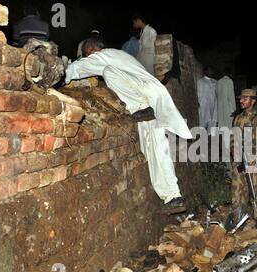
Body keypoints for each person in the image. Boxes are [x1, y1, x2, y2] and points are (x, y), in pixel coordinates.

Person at [65, 36, 192, 210]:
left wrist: (61, 74)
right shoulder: (123, 57)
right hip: (151, 97)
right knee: (156, 149)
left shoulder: (106, 56)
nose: (88, 58)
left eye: (88, 55)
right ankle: (173, 197)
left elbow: (78, 68)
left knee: (108, 72)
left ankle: (140, 108)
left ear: (93, 50)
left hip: (144, 97)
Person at [231, 89, 257, 220]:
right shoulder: (238, 118)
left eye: (244, 99)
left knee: (256, 190)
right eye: (240, 98)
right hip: (239, 160)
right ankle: (238, 218)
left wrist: (255, 158)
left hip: (254, 160)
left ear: (252, 101)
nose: (241, 101)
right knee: (238, 189)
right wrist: (232, 147)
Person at [197, 66, 218, 133]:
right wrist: (200, 103)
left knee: (213, 121)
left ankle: (211, 137)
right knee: (203, 120)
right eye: (210, 70)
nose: (211, 72)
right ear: (205, 72)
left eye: (212, 71)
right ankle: (201, 138)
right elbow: (199, 94)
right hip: (204, 105)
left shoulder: (215, 81)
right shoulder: (200, 81)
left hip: (214, 105)